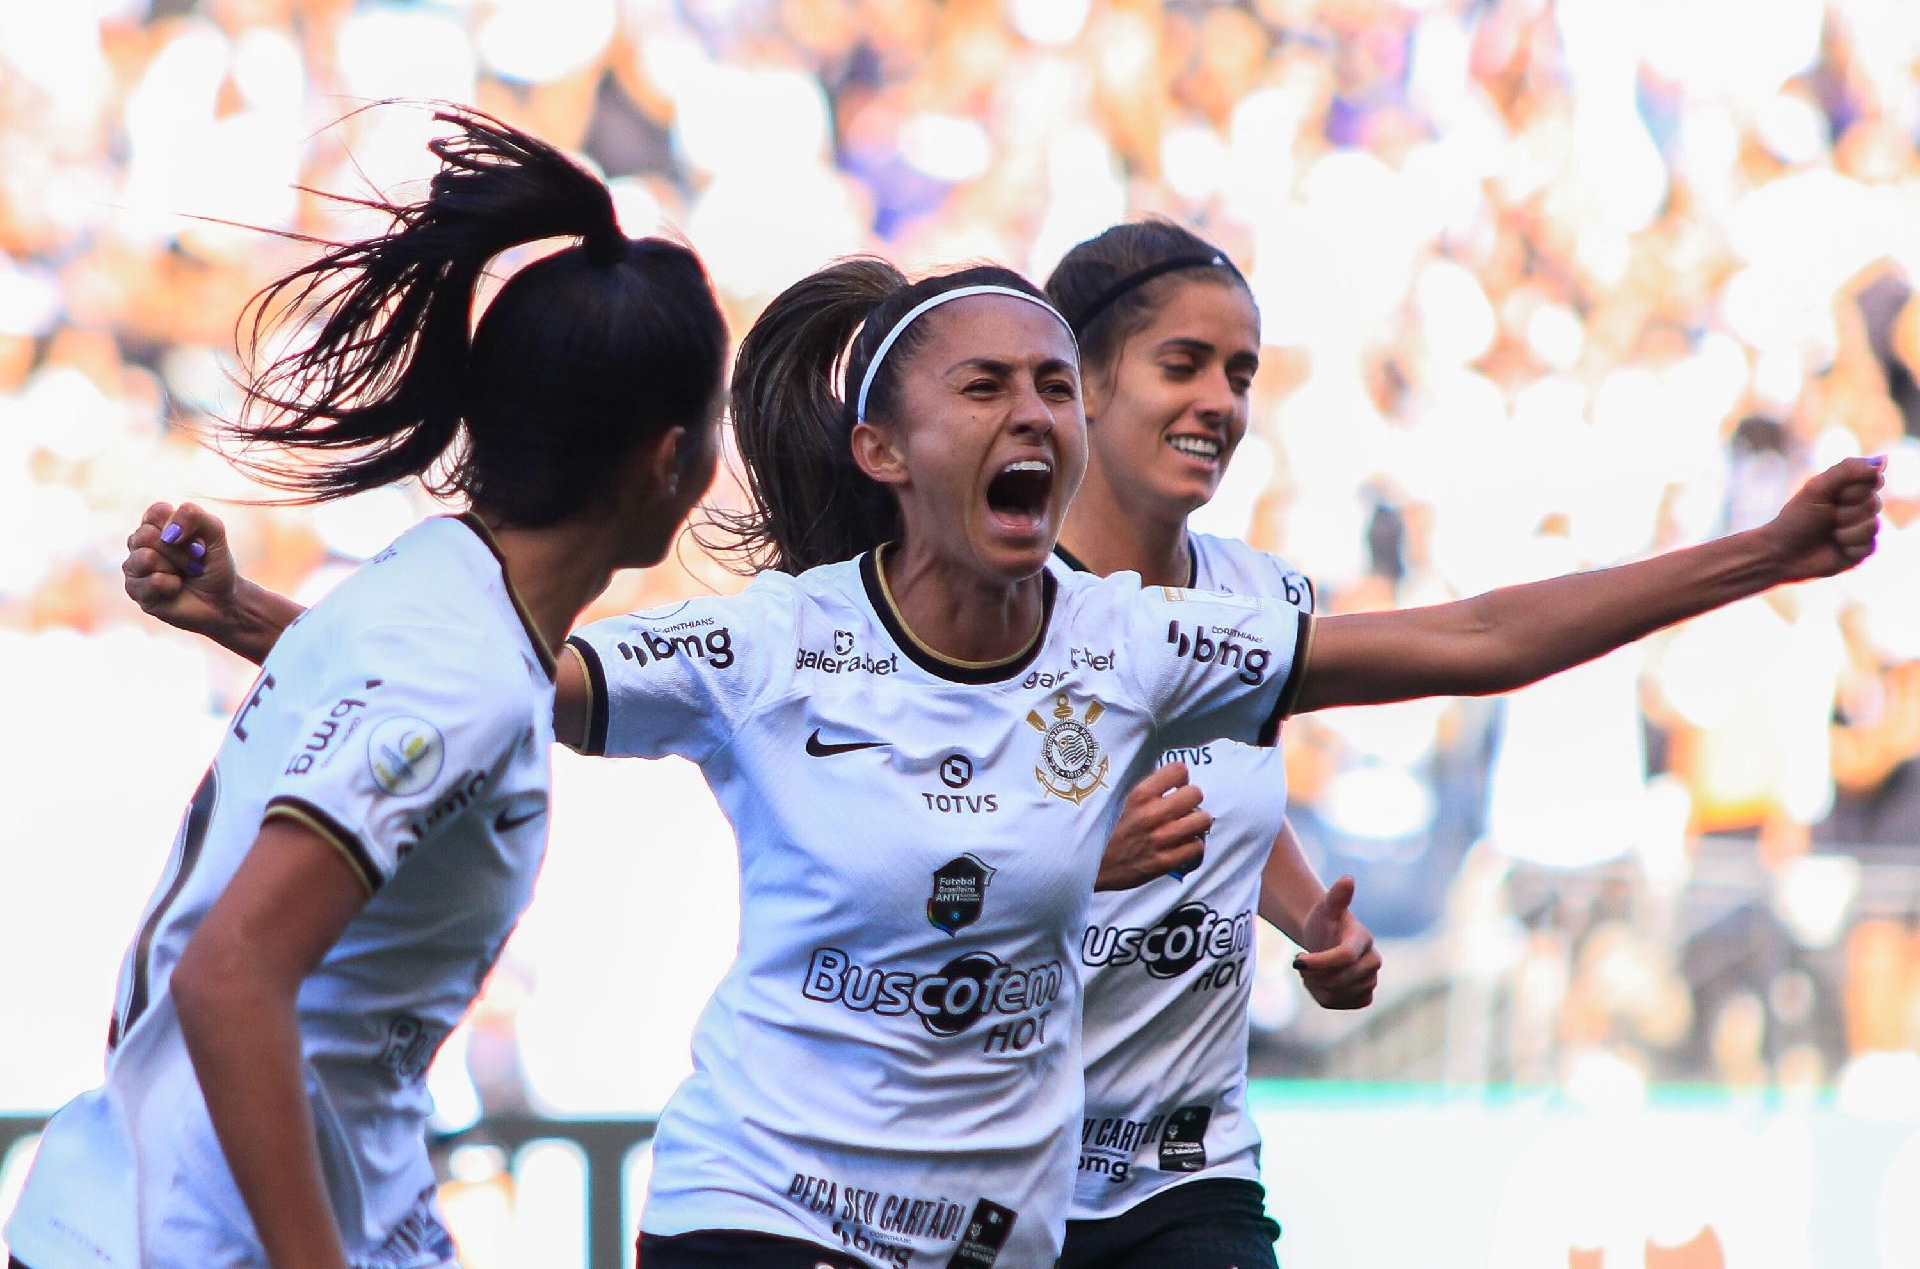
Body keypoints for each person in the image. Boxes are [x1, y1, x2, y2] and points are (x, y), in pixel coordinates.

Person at [124, 253, 1882, 1269]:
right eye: (990, 387)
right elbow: (500, 685)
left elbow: (1477, 640)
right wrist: (253, 614)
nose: (1036, 411)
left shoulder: (1143, 650)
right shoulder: (768, 645)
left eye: (1055, 383)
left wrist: (1763, 556)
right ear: (882, 448)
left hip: (1009, 1236)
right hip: (765, 1218)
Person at [5, 107, 729, 1269]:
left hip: (166, 1212)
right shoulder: (466, 672)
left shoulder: (429, 580)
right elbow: (231, 971)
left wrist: (240, 614)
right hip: (199, 1243)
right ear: (670, 459)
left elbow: (395, 701)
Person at [1041, 219, 1373, 1269]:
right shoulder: (986, 603)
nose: (1220, 403)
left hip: (1191, 1172)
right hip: (990, 1168)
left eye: (1239, 374)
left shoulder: (1268, 595)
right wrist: (1084, 858)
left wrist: (1308, 918)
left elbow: (1235, 803)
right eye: (1181, 364)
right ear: (1081, 380)